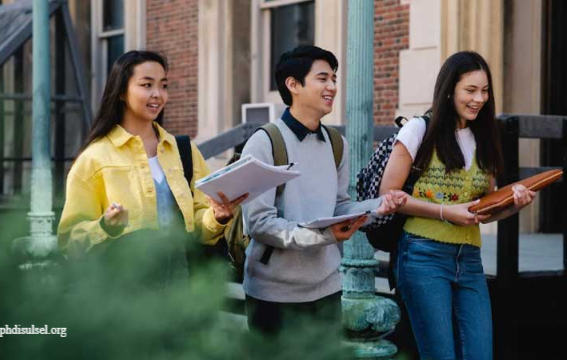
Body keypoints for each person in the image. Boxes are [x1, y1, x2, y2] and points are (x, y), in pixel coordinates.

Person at [379, 51, 536, 360]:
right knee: (440, 355)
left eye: (485, 90)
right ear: (450, 90)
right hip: (422, 255)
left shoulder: (486, 137)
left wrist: (514, 204)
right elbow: (389, 194)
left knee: (480, 353)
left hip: (470, 259)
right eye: (471, 90)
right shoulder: (418, 130)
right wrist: (444, 211)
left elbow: (483, 210)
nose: (479, 98)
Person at [241, 45, 407, 334]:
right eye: (323, 78)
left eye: (334, 78)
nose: (332, 86)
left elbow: (339, 207)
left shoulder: (336, 142)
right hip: (272, 293)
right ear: (293, 84)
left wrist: (377, 206)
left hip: (327, 289)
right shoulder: (263, 143)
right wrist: (322, 236)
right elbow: (259, 223)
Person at [58, 50, 246, 283]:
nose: (158, 94)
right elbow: (70, 242)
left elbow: (198, 228)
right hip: (125, 295)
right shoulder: (94, 158)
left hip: (184, 291)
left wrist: (217, 216)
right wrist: (105, 226)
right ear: (121, 93)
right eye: (146, 85)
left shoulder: (184, 151)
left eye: (163, 85)